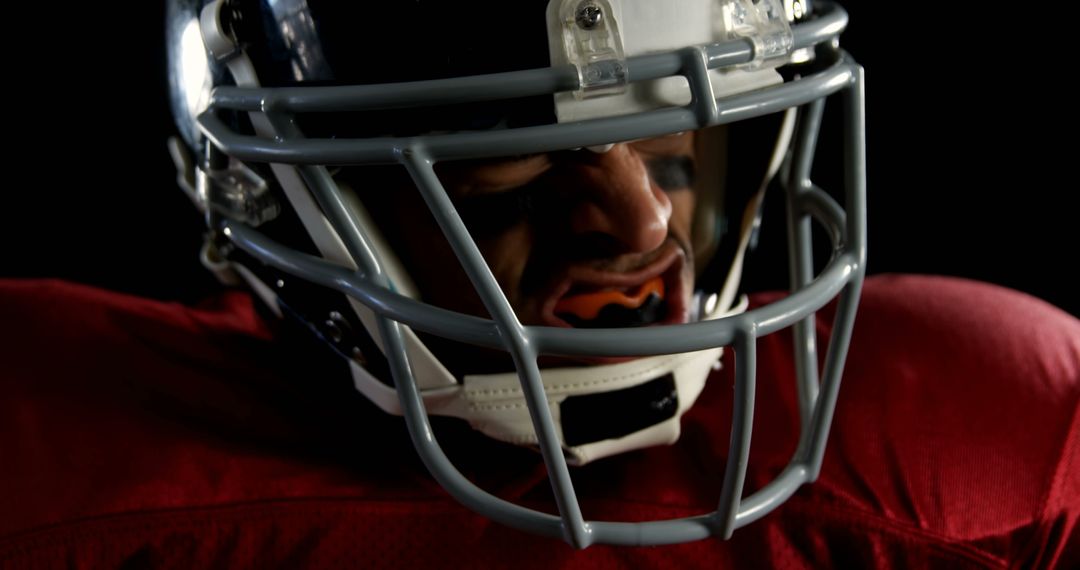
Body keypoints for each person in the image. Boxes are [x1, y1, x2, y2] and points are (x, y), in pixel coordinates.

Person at [2, 0, 1077, 567]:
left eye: (677, 151)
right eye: (512, 180)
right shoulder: (59, 462)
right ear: (267, 194)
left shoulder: (982, 439)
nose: (648, 225)